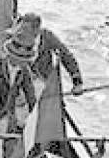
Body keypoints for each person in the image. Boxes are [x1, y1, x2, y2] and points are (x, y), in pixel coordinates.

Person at [10, 13, 83, 155]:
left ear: (36, 29)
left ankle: (46, 145)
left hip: (43, 85)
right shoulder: (15, 37)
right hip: (21, 85)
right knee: (22, 119)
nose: (22, 32)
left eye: (26, 29)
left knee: (46, 119)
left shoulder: (47, 37)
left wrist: (77, 81)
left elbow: (66, 55)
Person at [0, 29, 40, 154]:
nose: (24, 62)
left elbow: (31, 96)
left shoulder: (24, 70)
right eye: (21, 58)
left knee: (8, 146)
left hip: (6, 112)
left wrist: (36, 117)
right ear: (10, 54)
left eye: (26, 58)